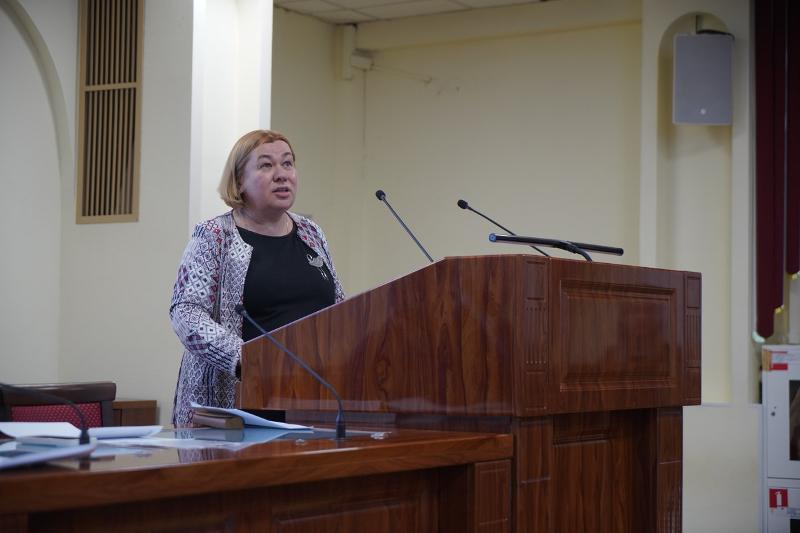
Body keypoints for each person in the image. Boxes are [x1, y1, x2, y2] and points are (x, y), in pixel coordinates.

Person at [169, 130, 345, 425]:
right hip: (236, 409)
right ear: (239, 181)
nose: (282, 174)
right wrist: (247, 358)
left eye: (287, 163)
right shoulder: (214, 236)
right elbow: (186, 312)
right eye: (266, 165)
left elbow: (338, 304)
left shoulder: (311, 232)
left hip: (312, 400)